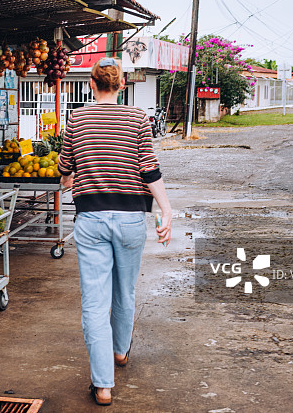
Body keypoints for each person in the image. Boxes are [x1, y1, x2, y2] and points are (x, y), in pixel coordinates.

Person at [57, 57, 172, 406]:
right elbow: (148, 169)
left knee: (94, 302)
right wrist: (166, 209)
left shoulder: (76, 119)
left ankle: (103, 385)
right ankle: (120, 352)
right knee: (125, 290)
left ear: (92, 84)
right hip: (131, 219)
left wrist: (69, 179)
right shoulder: (138, 118)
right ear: (121, 85)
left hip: (90, 220)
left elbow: (65, 167)